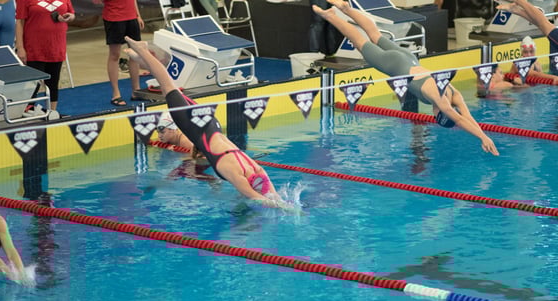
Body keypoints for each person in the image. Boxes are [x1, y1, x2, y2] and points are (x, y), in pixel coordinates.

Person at [312, 0, 500, 156]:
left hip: (410, 59)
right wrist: (482, 138)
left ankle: (346, 8)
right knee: (360, 42)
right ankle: (332, 16)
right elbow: (460, 120)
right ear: (440, 115)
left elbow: (467, 117)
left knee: (375, 34)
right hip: (396, 65)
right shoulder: (441, 101)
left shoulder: (454, 94)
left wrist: (484, 135)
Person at [124, 36, 290, 207]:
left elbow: (267, 188)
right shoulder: (235, 173)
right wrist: (284, 207)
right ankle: (143, 50)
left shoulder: (254, 167)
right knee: (167, 86)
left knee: (170, 87)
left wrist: (278, 199)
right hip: (195, 126)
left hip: (211, 123)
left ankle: (142, 59)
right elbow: (254, 197)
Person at [15, 0, 75, 113]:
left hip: (56, 46)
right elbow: (19, 22)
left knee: (53, 82)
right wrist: (20, 47)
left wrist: (69, 17)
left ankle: (52, 112)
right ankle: (27, 110)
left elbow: (71, 13)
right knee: (33, 84)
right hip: (34, 47)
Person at [92, 0, 144, 107]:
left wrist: (138, 15)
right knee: (115, 54)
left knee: (135, 53)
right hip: (114, 17)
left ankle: (136, 90)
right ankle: (116, 94)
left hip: (131, 16)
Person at [496, 0, 558, 75]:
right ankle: (520, 3)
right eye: (526, 52)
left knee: (542, 24)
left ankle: (517, 8)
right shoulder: (520, 63)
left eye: (531, 51)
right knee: (543, 24)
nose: (529, 55)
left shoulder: (537, 64)